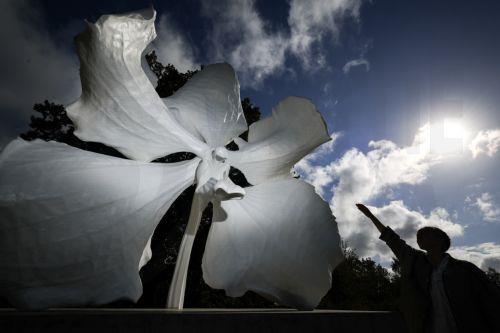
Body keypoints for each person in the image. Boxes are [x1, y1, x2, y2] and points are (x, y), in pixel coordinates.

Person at [356, 203, 500, 333]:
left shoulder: (466, 269)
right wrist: (370, 216)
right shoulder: (417, 262)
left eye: (425, 234)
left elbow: (491, 301)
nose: (419, 236)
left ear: (440, 240)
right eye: (418, 236)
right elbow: (392, 239)